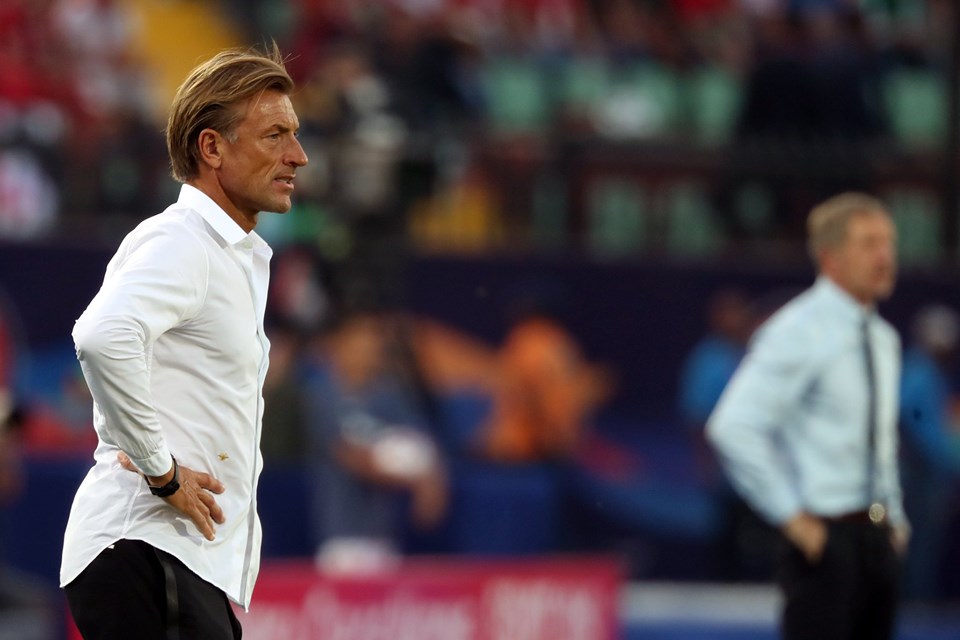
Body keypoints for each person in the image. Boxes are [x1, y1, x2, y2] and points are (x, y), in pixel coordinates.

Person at [60, 43, 309, 639]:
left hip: (171, 557)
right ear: (212, 147)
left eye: (295, 135)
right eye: (274, 135)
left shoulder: (222, 252)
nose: (298, 156)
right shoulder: (184, 241)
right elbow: (101, 336)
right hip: (149, 544)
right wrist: (162, 472)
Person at [707, 192, 908, 640]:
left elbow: (879, 438)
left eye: (889, 243)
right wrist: (792, 518)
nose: (885, 256)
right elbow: (733, 426)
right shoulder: (797, 331)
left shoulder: (883, 339)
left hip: (876, 534)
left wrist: (894, 516)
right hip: (824, 537)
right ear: (830, 257)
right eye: (869, 244)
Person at [899, 304, 960, 600]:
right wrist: (943, 463)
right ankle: (913, 602)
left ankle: (917, 599)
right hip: (917, 473)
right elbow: (913, 419)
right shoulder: (919, 371)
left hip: (929, 472)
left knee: (924, 542)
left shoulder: (931, 373)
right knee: (917, 540)